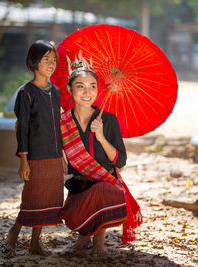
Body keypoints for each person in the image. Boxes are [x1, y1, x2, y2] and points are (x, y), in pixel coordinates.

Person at [59, 54, 142, 257]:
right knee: (71, 217)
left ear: (98, 89)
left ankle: (99, 242)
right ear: (70, 89)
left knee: (103, 192)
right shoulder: (62, 122)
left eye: (93, 86)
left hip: (104, 185)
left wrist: (101, 136)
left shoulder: (108, 119)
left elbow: (120, 161)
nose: (87, 92)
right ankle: (83, 237)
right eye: (80, 86)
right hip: (77, 185)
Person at [5, 40, 64, 256]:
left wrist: (63, 154)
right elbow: (23, 129)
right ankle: (14, 232)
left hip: (54, 155)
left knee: (48, 198)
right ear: (34, 62)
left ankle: (35, 242)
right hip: (35, 156)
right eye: (46, 59)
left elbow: (57, 125)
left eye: (54, 59)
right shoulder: (26, 93)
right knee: (33, 197)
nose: (51, 63)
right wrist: (23, 160)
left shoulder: (55, 92)